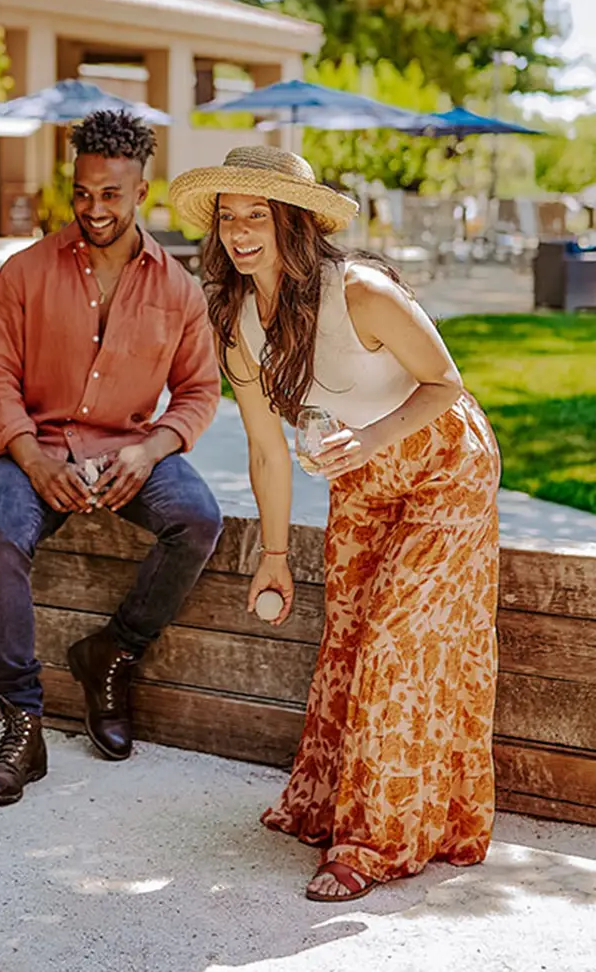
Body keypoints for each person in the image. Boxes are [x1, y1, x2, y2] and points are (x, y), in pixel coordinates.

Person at [169, 146, 501, 902]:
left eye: (259, 215)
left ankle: (377, 841)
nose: (241, 231)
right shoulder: (237, 324)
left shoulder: (362, 292)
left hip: (446, 467)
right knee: (348, 636)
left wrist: (376, 439)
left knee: (399, 645)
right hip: (361, 478)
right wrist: (276, 554)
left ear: (297, 223)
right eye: (229, 216)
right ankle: (332, 802)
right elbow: (265, 450)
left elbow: (446, 383)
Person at [0, 110, 223, 806]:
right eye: (83, 192)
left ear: (143, 190)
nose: (94, 208)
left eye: (111, 194)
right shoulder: (23, 273)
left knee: (199, 518)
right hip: (36, 446)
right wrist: (29, 456)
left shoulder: (178, 288)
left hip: (129, 451)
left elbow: (201, 392)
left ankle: (112, 652)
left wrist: (150, 451)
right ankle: (22, 726)